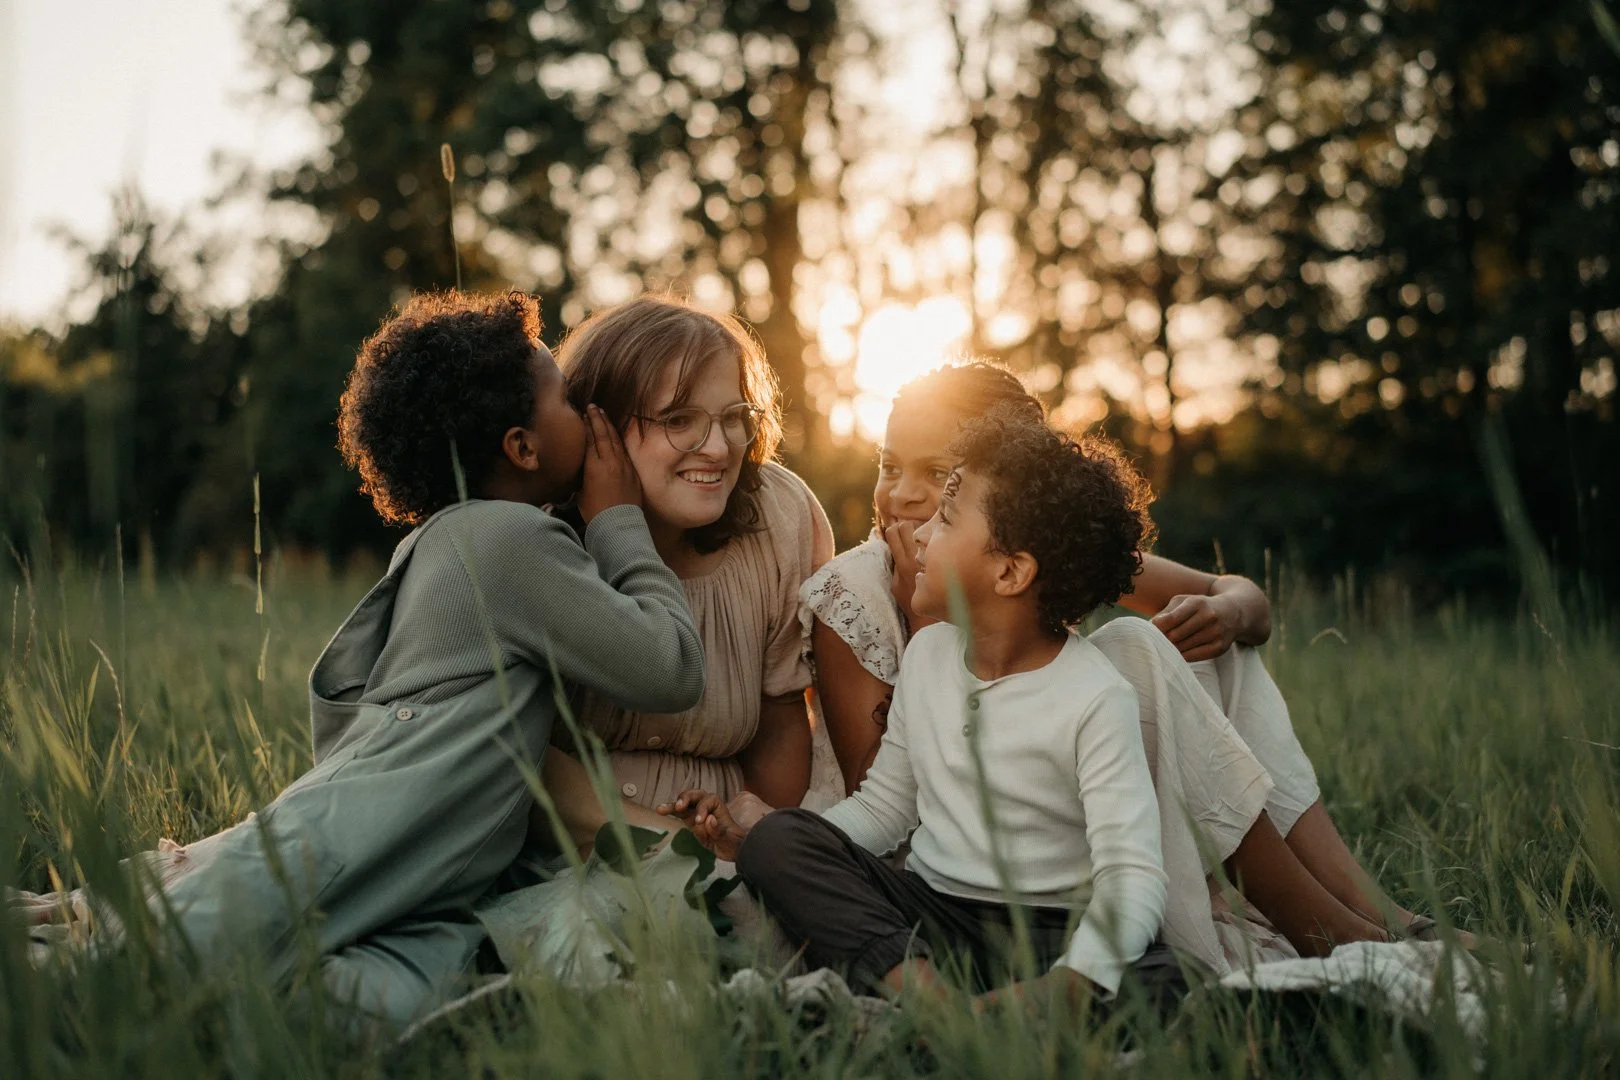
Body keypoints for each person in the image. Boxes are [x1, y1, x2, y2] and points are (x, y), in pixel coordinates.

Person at [12, 291, 707, 1030]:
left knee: (347, 1008)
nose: (591, 414)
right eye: (569, 400)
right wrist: (619, 520)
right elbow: (670, 669)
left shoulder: (443, 539)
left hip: (394, 870)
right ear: (522, 448)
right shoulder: (512, 544)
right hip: (347, 848)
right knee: (105, 986)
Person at [800, 362, 1434, 971]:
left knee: (1164, 644)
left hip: (1052, 812)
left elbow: (1242, 598)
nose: (904, 495)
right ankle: (1324, 924)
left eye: (940, 474)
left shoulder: (1029, 549)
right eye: (890, 466)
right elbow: (888, 802)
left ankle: (1364, 911)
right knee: (1135, 653)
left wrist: (1227, 615)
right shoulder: (858, 595)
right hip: (937, 856)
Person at [663, 412, 1168, 1005]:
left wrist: (1069, 982)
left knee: (1169, 981)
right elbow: (884, 807)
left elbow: (1131, 875)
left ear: (1010, 572)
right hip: (928, 918)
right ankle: (940, 1010)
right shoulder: (929, 654)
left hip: (1052, 934)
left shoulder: (1095, 697)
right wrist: (760, 837)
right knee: (779, 842)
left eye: (947, 519)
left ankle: (985, 1013)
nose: (920, 533)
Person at [530, 295, 836, 853]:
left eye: (733, 419)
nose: (717, 448)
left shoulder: (779, 518)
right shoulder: (535, 537)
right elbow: (517, 760)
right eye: (678, 420)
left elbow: (783, 724)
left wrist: (746, 839)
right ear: (597, 422)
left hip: (727, 855)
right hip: (559, 850)